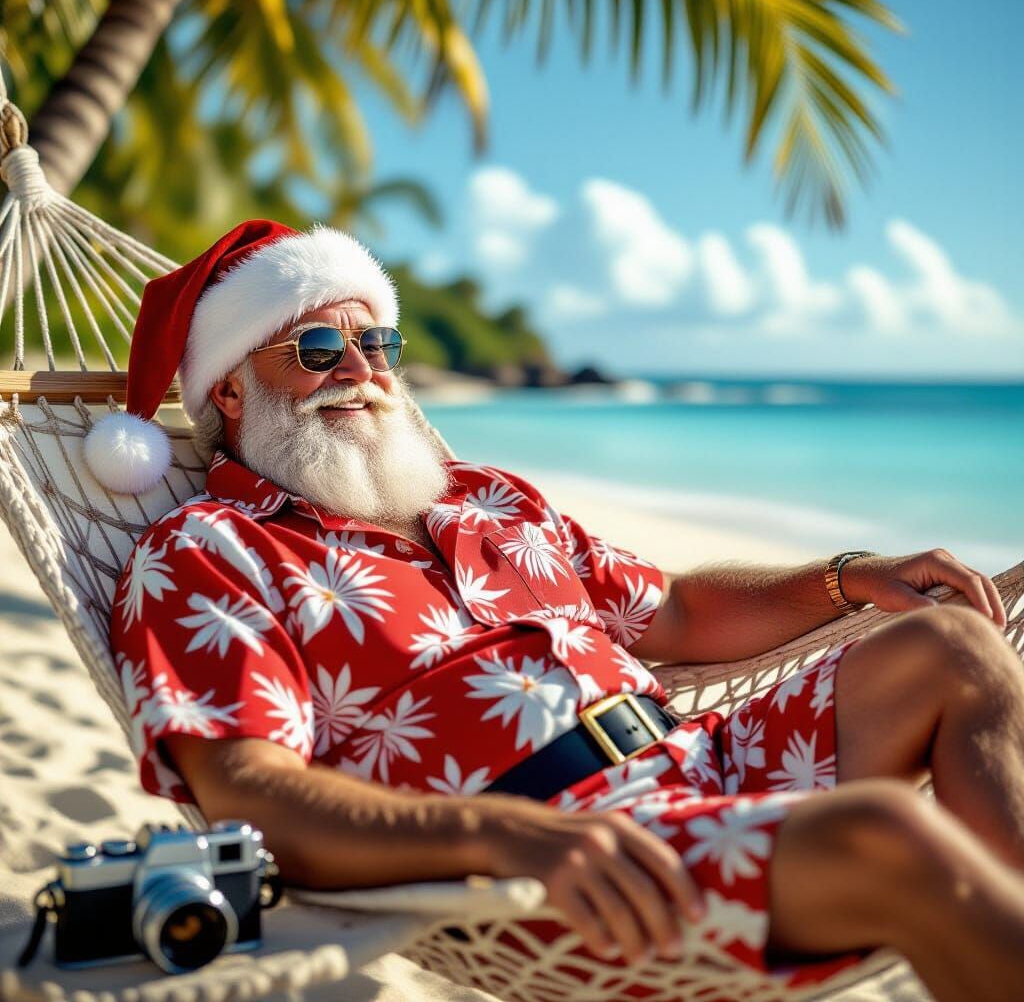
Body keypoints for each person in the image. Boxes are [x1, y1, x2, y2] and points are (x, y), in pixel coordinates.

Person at [93, 220, 1024, 1002]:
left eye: (376, 345)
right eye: (318, 351)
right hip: (549, 864)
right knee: (891, 835)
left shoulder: (486, 497)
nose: (360, 371)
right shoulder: (211, 552)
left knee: (952, 643)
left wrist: (846, 577)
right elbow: (249, 792)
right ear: (228, 387)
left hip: (707, 761)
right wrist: (503, 836)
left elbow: (676, 613)